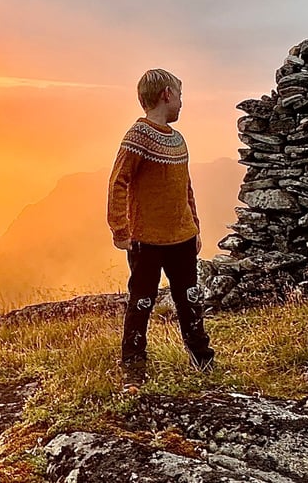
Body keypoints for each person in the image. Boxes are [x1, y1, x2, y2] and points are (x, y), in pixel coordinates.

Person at [107, 69, 215, 386]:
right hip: (146, 240)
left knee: (190, 300)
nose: (182, 102)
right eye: (180, 95)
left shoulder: (178, 140)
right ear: (166, 94)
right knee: (142, 302)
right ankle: (133, 368)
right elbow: (118, 182)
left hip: (182, 238)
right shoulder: (137, 137)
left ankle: (203, 361)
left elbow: (186, 188)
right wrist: (120, 229)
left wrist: (194, 227)